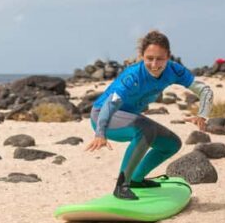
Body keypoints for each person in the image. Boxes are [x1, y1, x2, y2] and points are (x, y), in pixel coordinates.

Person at [85, 30, 213, 200]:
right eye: (149, 58)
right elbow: (110, 104)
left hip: (130, 118)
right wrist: (100, 133)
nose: (154, 64)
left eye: (160, 58)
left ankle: (136, 180)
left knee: (171, 144)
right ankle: (122, 185)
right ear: (142, 56)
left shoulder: (174, 71)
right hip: (104, 117)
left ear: (168, 56)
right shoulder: (133, 76)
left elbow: (205, 90)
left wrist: (202, 115)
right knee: (146, 129)